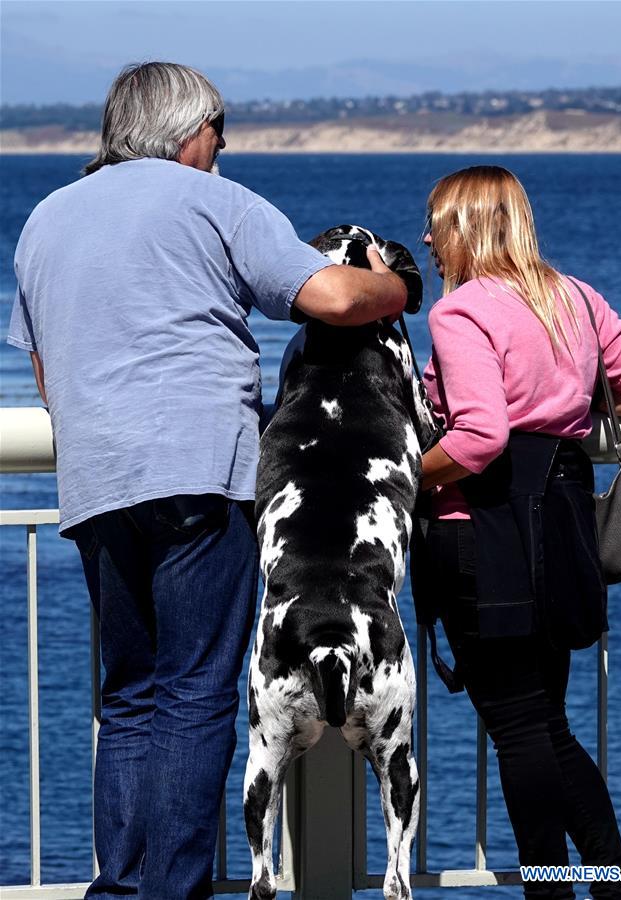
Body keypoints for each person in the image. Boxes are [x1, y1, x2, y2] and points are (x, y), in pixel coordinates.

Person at [6, 62, 407, 900]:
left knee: (130, 698)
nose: (223, 147)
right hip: (197, 470)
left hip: (97, 477)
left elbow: (49, 370)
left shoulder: (44, 219)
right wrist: (398, 285)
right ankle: (172, 892)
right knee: (193, 694)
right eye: (220, 130)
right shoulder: (215, 201)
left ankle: (117, 888)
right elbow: (333, 297)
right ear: (192, 129)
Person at [416, 165, 621, 900]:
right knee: (544, 726)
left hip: (485, 532)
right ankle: (608, 887)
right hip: (560, 527)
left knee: (522, 731)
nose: (428, 238)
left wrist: (406, 480)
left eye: (437, 222)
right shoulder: (577, 299)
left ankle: (557, 891)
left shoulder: (461, 313)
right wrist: (568, 397)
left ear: (468, 228)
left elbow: (479, 437)